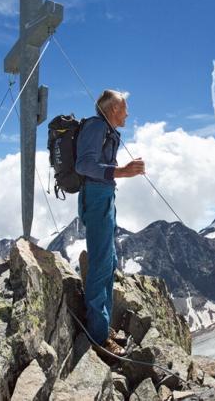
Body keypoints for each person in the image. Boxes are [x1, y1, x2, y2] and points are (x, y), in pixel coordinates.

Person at [75, 89, 145, 355]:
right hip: (96, 196)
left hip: (103, 195)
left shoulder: (105, 130)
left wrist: (121, 172)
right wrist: (122, 171)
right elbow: (84, 165)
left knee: (108, 261)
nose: (127, 113)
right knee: (102, 261)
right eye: (124, 107)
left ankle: (101, 326)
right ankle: (97, 335)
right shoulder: (95, 126)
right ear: (113, 109)